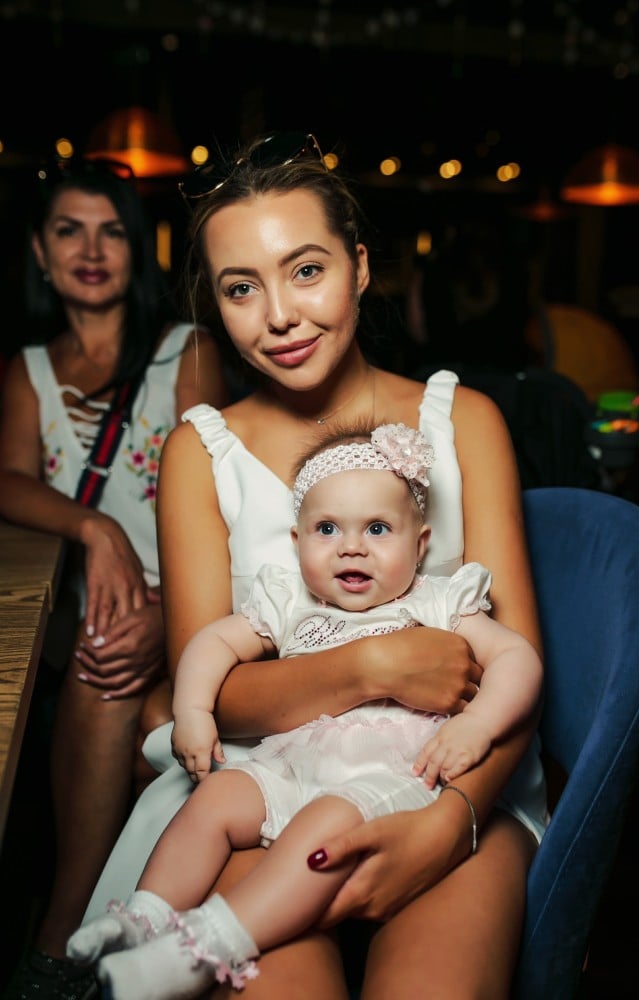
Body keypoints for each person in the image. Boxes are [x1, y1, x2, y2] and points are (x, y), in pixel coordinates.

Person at [80, 129, 547, 999]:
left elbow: (519, 673)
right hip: (262, 783)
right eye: (240, 288)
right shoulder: (200, 453)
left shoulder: (462, 422)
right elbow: (209, 691)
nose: (280, 316)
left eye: (305, 270)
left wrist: (447, 823)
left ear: (359, 266)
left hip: (455, 781)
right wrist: (374, 665)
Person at [66, 420, 545, 999]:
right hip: (295, 765)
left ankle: (203, 945)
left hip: (393, 777)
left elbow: (518, 658)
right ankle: (143, 919)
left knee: (325, 825)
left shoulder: (438, 600)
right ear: (297, 542)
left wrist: (478, 724)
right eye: (327, 529)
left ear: (420, 546)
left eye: (377, 529)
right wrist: (191, 710)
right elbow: (213, 644)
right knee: (217, 798)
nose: (351, 547)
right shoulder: (290, 599)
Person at [0, 155, 228, 999]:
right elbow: (8, 477)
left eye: (111, 232)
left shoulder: (185, 352)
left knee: (113, 666)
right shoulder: (28, 369)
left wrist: (166, 608)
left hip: (197, 604)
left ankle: (59, 940)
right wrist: (95, 529)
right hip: (80, 615)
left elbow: (223, 504)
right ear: (39, 249)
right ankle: (93, 945)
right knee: (101, 644)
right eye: (69, 230)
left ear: (137, 250)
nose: (91, 251)